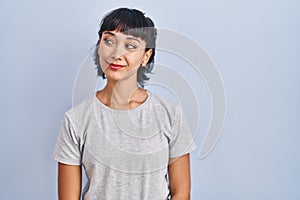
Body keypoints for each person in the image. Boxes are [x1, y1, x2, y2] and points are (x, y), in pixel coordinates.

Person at [52, 7, 196, 200]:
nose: (116, 54)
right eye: (109, 41)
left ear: (146, 56)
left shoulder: (170, 114)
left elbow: (181, 193)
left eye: (130, 45)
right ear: (99, 45)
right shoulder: (76, 119)